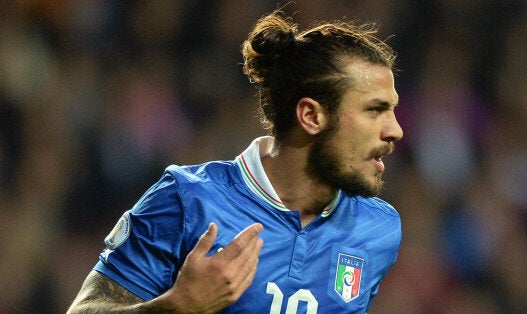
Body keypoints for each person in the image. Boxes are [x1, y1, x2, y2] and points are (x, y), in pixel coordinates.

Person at [67, 9, 403, 313]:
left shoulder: (378, 229)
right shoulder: (188, 200)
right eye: (375, 110)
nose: (395, 130)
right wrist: (176, 308)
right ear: (311, 116)